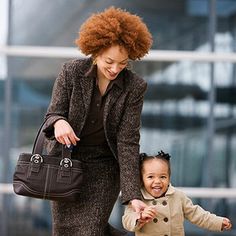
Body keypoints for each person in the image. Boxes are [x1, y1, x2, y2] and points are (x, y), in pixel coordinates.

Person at [42, 6, 152, 236]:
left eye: (123, 63)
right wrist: (59, 122)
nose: (115, 69)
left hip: (104, 168)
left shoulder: (134, 87)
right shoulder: (71, 72)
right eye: (109, 61)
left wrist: (132, 194)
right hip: (67, 163)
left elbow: (128, 141)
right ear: (95, 51)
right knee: (65, 231)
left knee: (90, 230)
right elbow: (53, 114)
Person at [122, 151, 232, 236]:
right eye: (150, 177)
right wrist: (139, 217)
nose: (157, 181)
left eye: (163, 177)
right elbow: (127, 220)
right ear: (142, 179)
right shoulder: (137, 199)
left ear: (169, 178)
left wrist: (218, 222)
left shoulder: (178, 196)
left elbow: (198, 215)